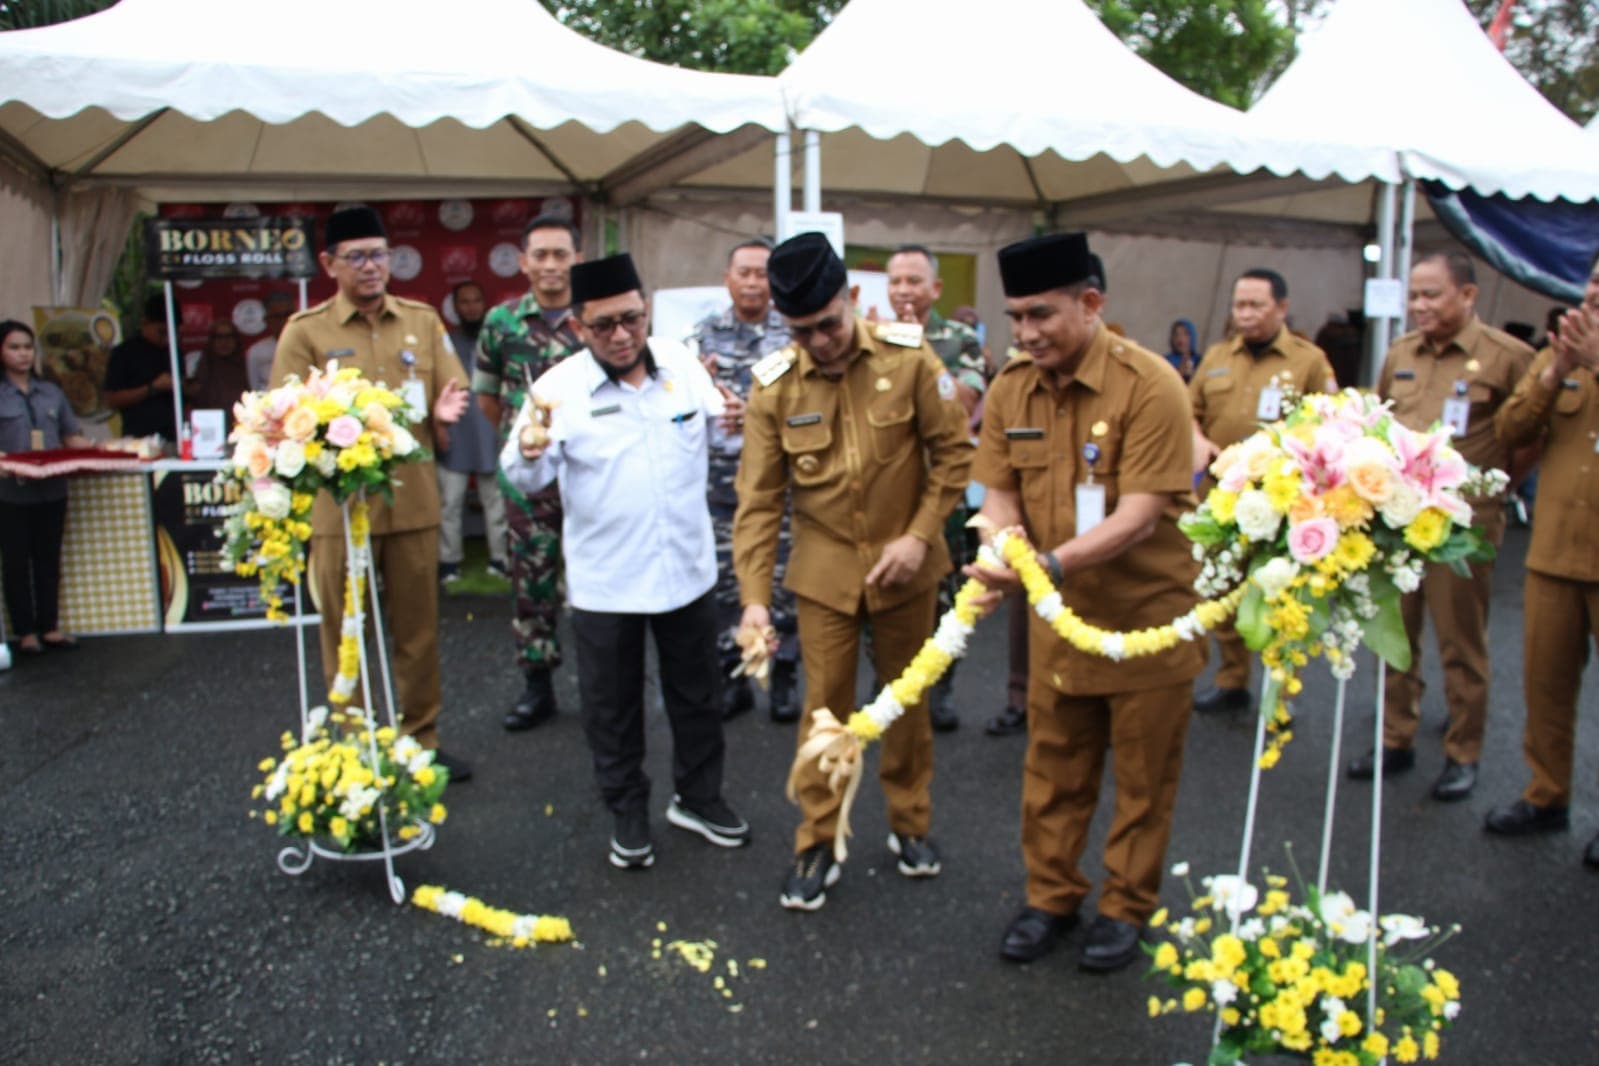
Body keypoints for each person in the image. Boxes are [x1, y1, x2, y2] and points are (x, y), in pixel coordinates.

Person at [965, 231, 1202, 973]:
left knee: (1141, 778)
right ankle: (1050, 896)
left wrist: (1046, 565)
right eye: (1015, 319)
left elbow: (1139, 514)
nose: (1027, 333)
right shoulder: (1010, 387)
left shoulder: (1152, 383)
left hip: (1147, 621)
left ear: (1090, 303)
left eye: (1041, 315)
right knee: (1052, 767)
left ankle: (1125, 906)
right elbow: (998, 495)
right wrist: (1001, 553)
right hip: (1058, 624)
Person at [733, 232, 973, 911]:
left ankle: (909, 824)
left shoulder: (908, 357)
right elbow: (757, 501)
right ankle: (816, 842)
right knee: (825, 712)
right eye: (802, 331)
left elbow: (953, 457)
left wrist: (919, 538)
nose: (820, 341)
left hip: (908, 570)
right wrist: (753, 600)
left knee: (906, 701)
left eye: (829, 324)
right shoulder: (774, 388)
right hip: (827, 577)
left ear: (853, 300)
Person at [501, 252, 749, 870]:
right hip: (607, 582)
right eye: (603, 324)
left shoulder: (684, 367)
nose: (620, 335)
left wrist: (736, 423)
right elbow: (522, 477)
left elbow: (724, 436)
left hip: (685, 571)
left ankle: (698, 797)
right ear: (581, 327)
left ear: (645, 312)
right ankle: (627, 810)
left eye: (631, 319)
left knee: (698, 696)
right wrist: (532, 449)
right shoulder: (556, 388)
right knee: (613, 709)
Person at [270, 205, 474, 781]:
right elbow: (285, 419)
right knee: (345, 631)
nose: (370, 267)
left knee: (418, 630)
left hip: (412, 503)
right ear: (329, 264)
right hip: (341, 511)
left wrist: (442, 413)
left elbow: (449, 393)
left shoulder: (421, 319)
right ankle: (355, 749)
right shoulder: (306, 332)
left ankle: (420, 741)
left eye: (379, 255)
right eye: (356, 257)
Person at [1347, 251, 1534, 802]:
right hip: (1398, 524)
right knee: (1394, 634)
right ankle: (1395, 738)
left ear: (1468, 296)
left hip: (1461, 526)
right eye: (1414, 296)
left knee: (1461, 642)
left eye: (1432, 295)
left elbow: (1529, 436)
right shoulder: (1401, 353)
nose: (1420, 306)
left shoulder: (1506, 357)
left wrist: (1493, 490)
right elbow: (1378, 423)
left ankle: (1463, 751)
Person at [1485, 249, 1599, 867]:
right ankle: (1546, 794)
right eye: (1593, 282)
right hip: (1554, 555)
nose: (1596, 293)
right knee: (1545, 685)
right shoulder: (1561, 356)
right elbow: (1510, 428)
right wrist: (1557, 370)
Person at [1189, 269, 1337, 714]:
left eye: (1256, 305)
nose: (1246, 315)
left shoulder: (1308, 360)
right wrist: (1197, 439)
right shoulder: (1216, 356)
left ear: (1282, 308)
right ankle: (1232, 678)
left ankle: (1282, 685)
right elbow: (1188, 410)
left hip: (1282, 501)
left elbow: (1329, 424)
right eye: (1239, 305)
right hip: (1224, 498)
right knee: (1223, 590)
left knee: (1280, 595)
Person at [475, 214, 584, 732]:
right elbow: (487, 397)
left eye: (560, 254)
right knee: (531, 583)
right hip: (528, 479)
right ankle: (537, 686)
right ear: (523, 262)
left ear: (576, 260)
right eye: (539, 254)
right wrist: (521, 447)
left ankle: (601, 688)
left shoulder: (594, 317)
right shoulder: (502, 322)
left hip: (588, 475)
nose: (550, 265)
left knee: (593, 582)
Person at [690, 237, 801, 724]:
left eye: (762, 273)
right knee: (725, 583)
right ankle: (734, 674)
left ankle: (782, 679)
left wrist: (752, 411)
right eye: (745, 272)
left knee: (781, 580)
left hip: (780, 484)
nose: (753, 282)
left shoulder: (795, 337)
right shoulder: (702, 336)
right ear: (727, 279)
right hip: (720, 483)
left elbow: (807, 404)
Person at [886, 243, 986, 732]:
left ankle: (942, 686)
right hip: (889, 491)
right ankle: (891, 680)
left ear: (936, 288)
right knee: (887, 590)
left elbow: (963, 403)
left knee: (947, 594)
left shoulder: (960, 338)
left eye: (913, 281)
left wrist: (913, 346)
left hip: (943, 493)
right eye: (896, 282)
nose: (904, 291)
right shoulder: (873, 338)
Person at [0, 320, 92, 655]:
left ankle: (50, 627)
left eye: (27, 347)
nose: (23, 354)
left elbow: (71, 435)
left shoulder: (51, 392)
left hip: (52, 490)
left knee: (48, 558)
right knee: (15, 562)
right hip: (11, 493)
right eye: (14, 347)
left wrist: (103, 451)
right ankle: (25, 632)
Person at [437, 281, 508, 585]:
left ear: (484, 304)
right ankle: (449, 562)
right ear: (455, 307)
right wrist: (438, 427)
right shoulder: (445, 343)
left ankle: (500, 559)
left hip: (492, 435)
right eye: (464, 302)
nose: (471, 307)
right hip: (455, 437)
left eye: (476, 300)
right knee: (448, 504)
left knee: (497, 504)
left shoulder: (498, 342)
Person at [104, 293, 179, 441]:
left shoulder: (174, 352)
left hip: (173, 434)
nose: (167, 338)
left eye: (172, 332)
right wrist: (152, 388)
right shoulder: (123, 353)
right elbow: (111, 400)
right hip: (138, 437)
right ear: (145, 323)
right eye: (162, 332)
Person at [188, 320, 250, 428]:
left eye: (229, 336)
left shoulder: (246, 367)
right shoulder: (205, 368)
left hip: (241, 428)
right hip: (210, 429)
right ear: (212, 341)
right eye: (219, 337)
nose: (224, 342)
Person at [246, 291, 298, 393]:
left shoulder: (307, 345)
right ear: (267, 320)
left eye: (287, 314)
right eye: (277, 316)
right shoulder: (256, 351)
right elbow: (254, 388)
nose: (284, 320)